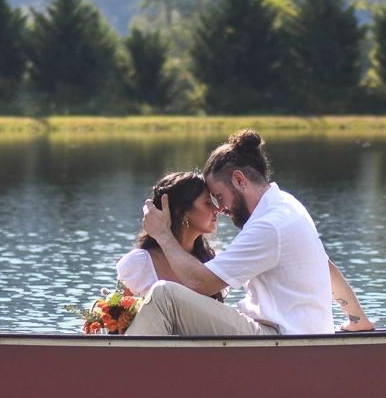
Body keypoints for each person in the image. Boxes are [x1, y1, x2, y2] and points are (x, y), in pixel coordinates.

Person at [126, 129, 372, 337]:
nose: (220, 208)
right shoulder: (287, 205)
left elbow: (199, 283)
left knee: (164, 295)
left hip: (279, 340)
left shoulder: (269, 225)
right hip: (291, 334)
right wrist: (357, 320)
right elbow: (324, 265)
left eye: (220, 197)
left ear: (240, 180)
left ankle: (121, 376)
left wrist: (162, 235)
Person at [115, 171, 221, 297]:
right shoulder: (140, 264)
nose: (217, 209)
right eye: (208, 203)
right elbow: (119, 313)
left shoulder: (212, 260)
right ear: (182, 212)